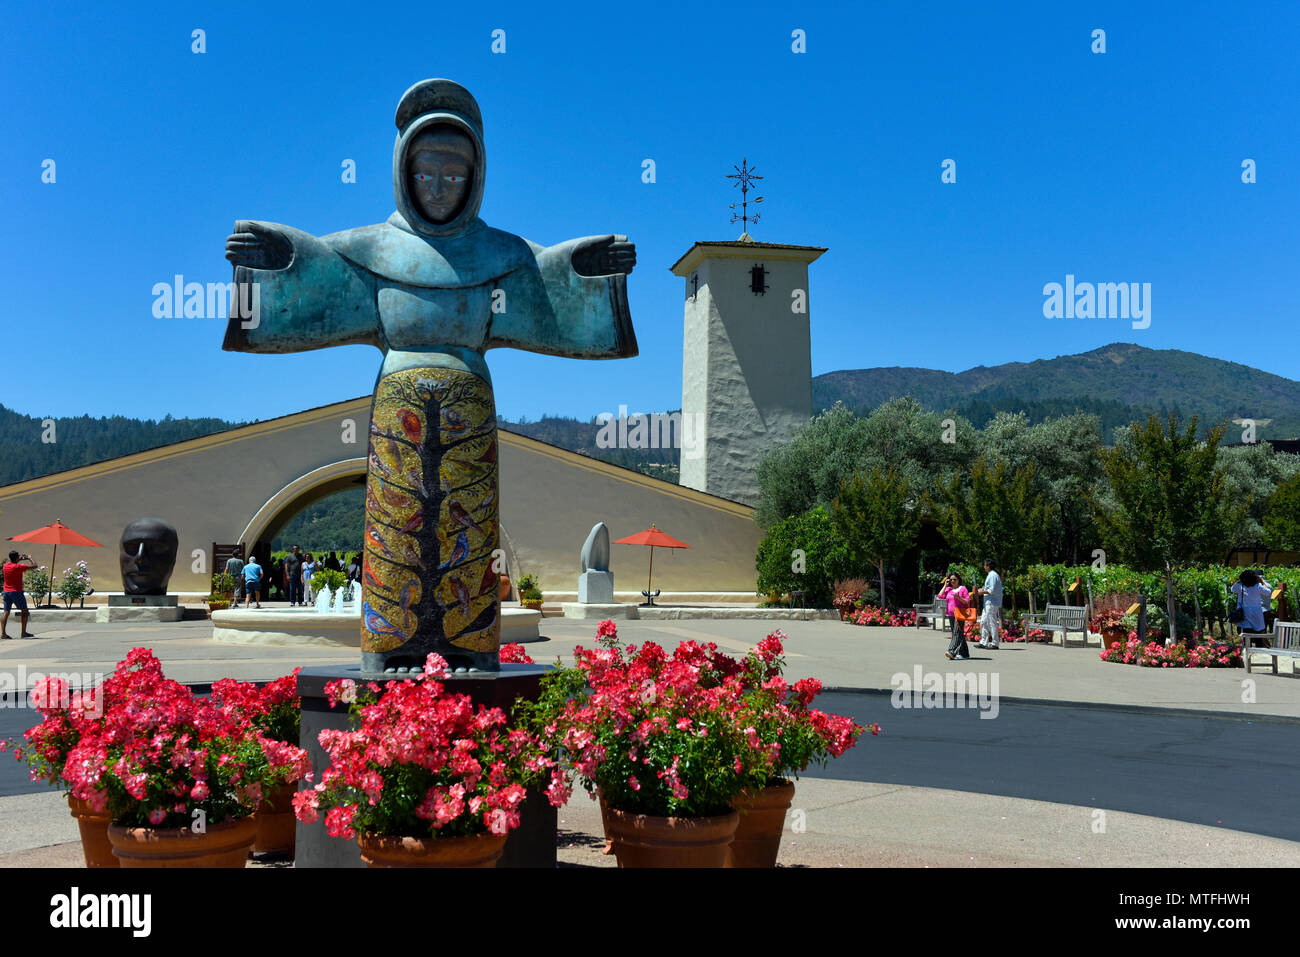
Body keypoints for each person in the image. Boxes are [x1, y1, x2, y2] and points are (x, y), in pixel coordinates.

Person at [1, 550, 38, 639]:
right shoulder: (19, 567)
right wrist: (29, 558)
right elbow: (35, 566)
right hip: (16, 592)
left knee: (6, 612)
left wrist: (19, 559)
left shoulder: (5, 566)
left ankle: (3, 633)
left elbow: (14, 562)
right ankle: (23, 632)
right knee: (25, 611)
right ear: (16, 558)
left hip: (6, 592)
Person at [938, 572, 972, 660]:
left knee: (956, 633)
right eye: (951, 579)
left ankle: (951, 651)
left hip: (960, 614)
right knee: (958, 633)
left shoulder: (962, 588)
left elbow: (967, 601)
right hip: (950, 614)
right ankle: (964, 653)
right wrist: (945, 585)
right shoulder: (948, 589)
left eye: (954, 579)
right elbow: (940, 596)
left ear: (958, 580)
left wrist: (959, 598)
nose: (953, 581)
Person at [1231, 569, 1272, 642]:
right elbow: (1268, 592)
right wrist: (1262, 582)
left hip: (1245, 613)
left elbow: (1232, 589)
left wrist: (1239, 581)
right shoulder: (1258, 586)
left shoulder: (1240, 586)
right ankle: (1258, 650)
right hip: (1257, 613)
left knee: (1247, 633)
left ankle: (1247, 650)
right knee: (1258, 634)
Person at [975, 558, 1003, 650]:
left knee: (991, 622)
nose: (984, 567)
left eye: (985, 565)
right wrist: (982, 590)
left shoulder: (993, 575)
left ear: (988, 566)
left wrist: (981, 592)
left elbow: (991, 590)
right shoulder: (991, 575)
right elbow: (989, 588)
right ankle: (984, 642)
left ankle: (995, 643)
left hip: (992, 602)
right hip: (988, 603)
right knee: (983, 621)